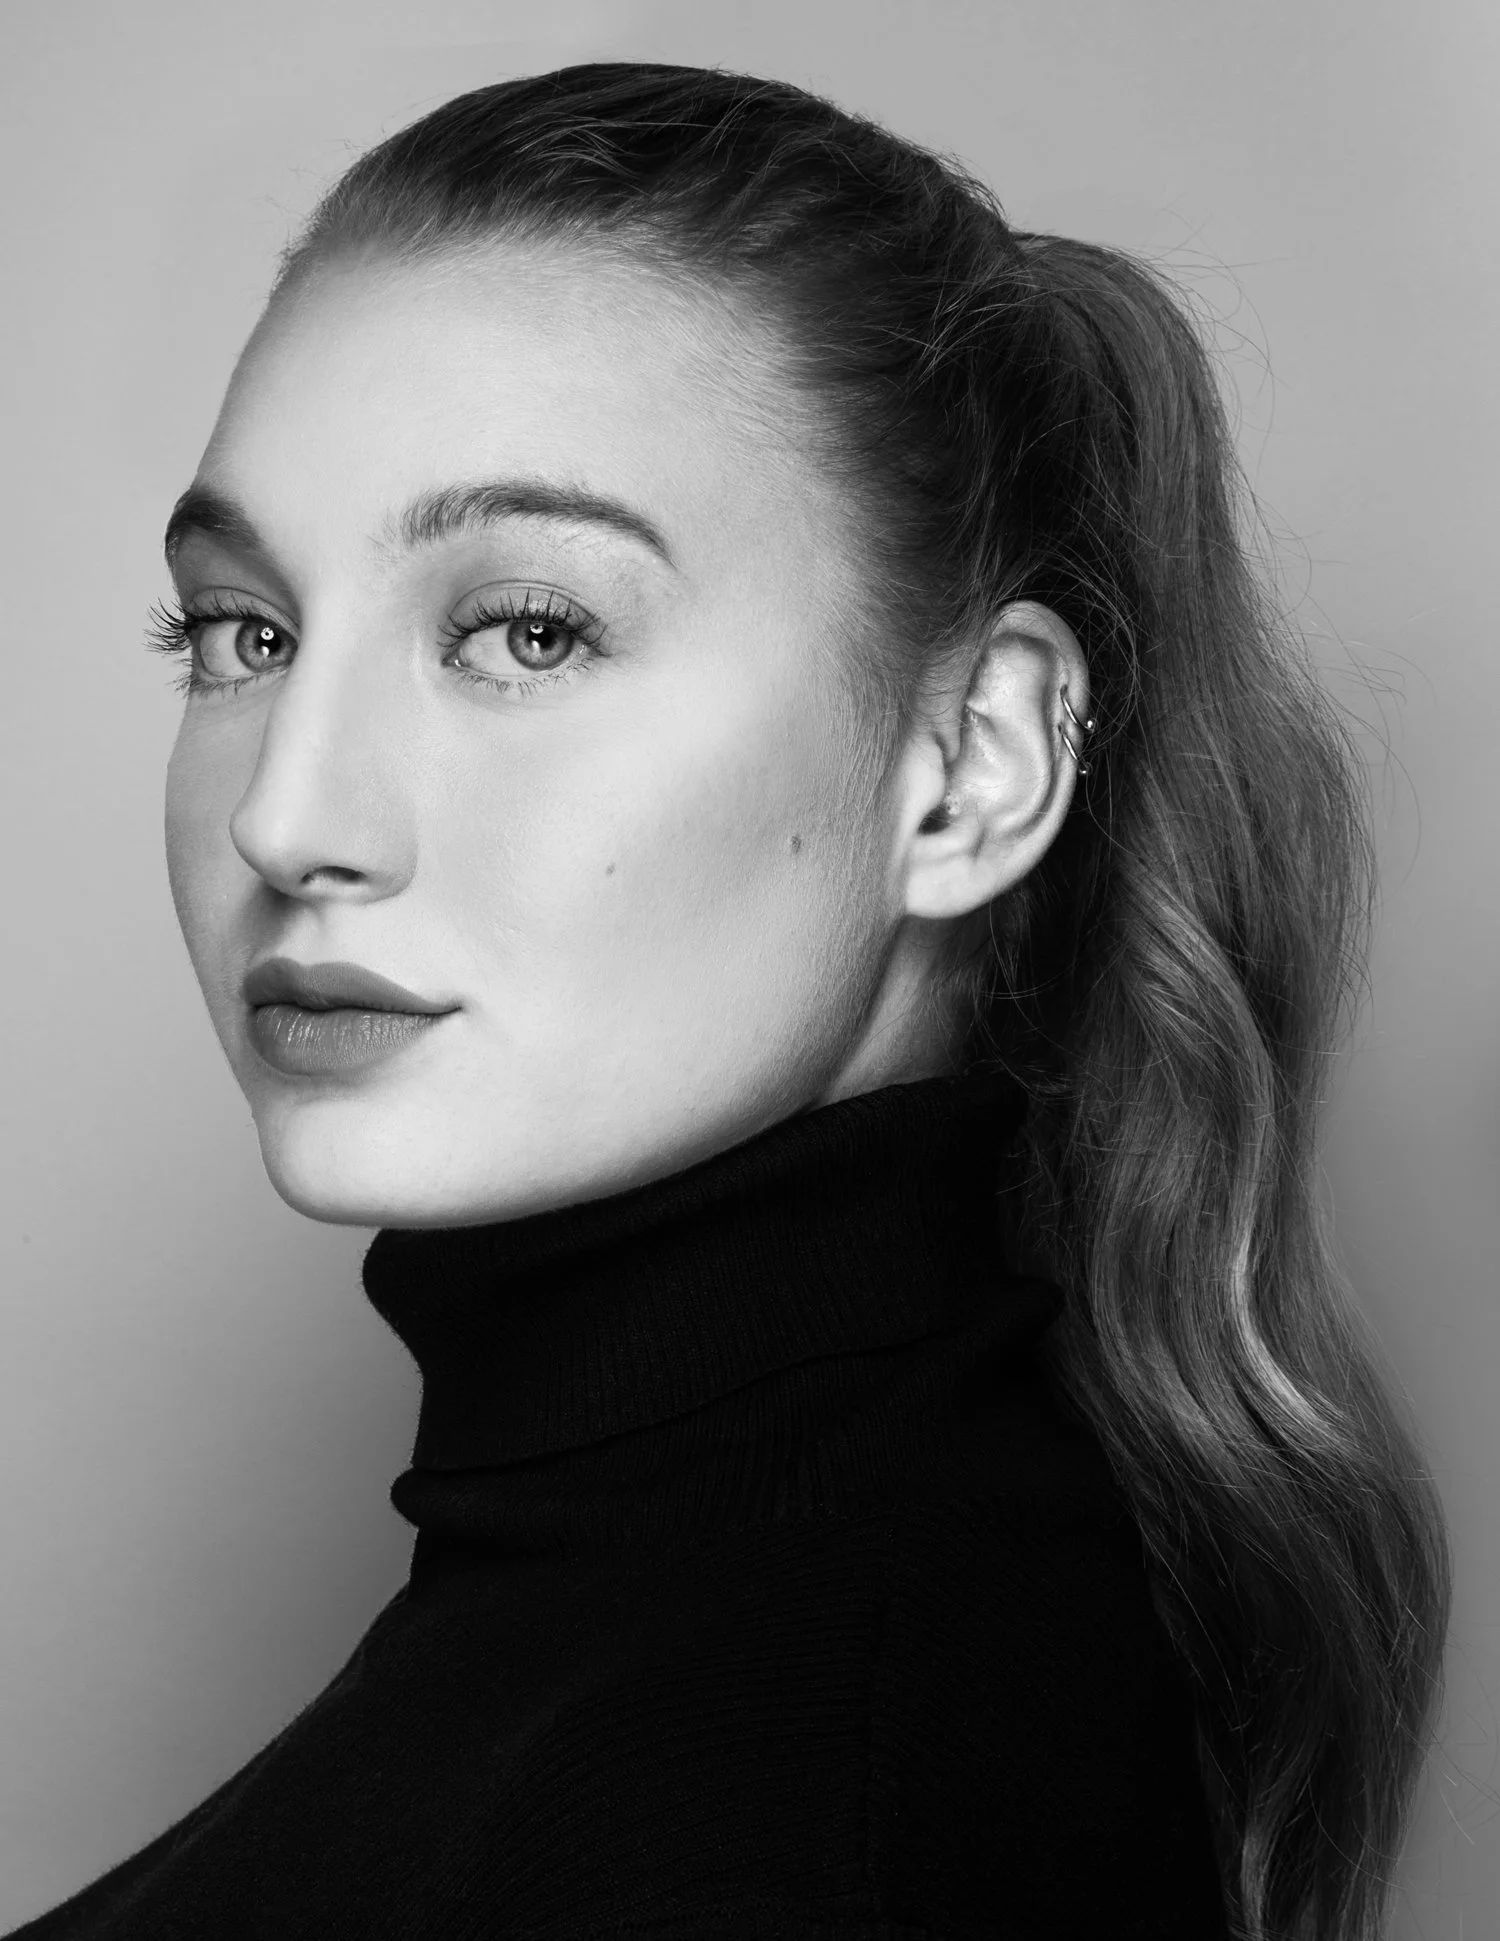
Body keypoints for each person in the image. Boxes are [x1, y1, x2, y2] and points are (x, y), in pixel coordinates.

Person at [11, 60, 1449, 1941]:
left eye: (529, 631)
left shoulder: (792, 1790)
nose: (289, 815)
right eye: (244, 635)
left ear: (971, 765)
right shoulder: (696, 1638)